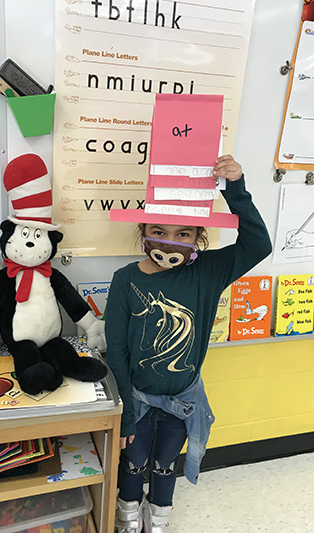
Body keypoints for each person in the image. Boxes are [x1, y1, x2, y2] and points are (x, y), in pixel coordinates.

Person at [105, 155, 272, 533]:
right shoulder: (124, 279)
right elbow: (115, 349)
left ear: (199, 238)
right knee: (132, 461)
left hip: (183, 399)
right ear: (144, 230)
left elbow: (258, 245)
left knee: (165, 463)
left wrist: (237, 189)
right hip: (138, 400)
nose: (170, 242)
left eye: (184, 234)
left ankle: (159, 515)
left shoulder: (209, 272)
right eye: (159, 231)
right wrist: (126, 413)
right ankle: (127, 513)